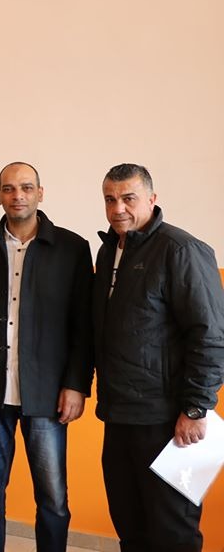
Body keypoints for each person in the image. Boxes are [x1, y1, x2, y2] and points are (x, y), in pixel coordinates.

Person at [0, 162, 93, 552]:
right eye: (9, 189)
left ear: (40, 193)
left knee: (53, 495)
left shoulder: (72, 249)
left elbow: (83, 326)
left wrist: (76, 384)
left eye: (27, 188)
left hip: (47, 393)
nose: (18, 196)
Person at [93, 163, 224, 552]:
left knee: (173, 531)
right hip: (119, 415)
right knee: (129, 525)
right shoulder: (109, 250)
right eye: (110, 199)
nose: (118, 208)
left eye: (128, 198)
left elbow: (210, 335)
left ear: (152, 199)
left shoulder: (181, 250)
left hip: (169, 421)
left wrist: (196, 408)